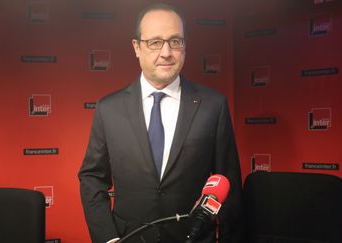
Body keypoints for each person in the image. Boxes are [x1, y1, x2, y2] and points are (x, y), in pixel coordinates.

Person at [78, 3, 243, 243]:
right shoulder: (108, 109)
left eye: (175, 41)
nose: (166, 52)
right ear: (137, 47)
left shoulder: (213, 106)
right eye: (155, 42)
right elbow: (92, 178)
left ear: (185, 46)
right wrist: (108, 238)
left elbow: (228, 184)